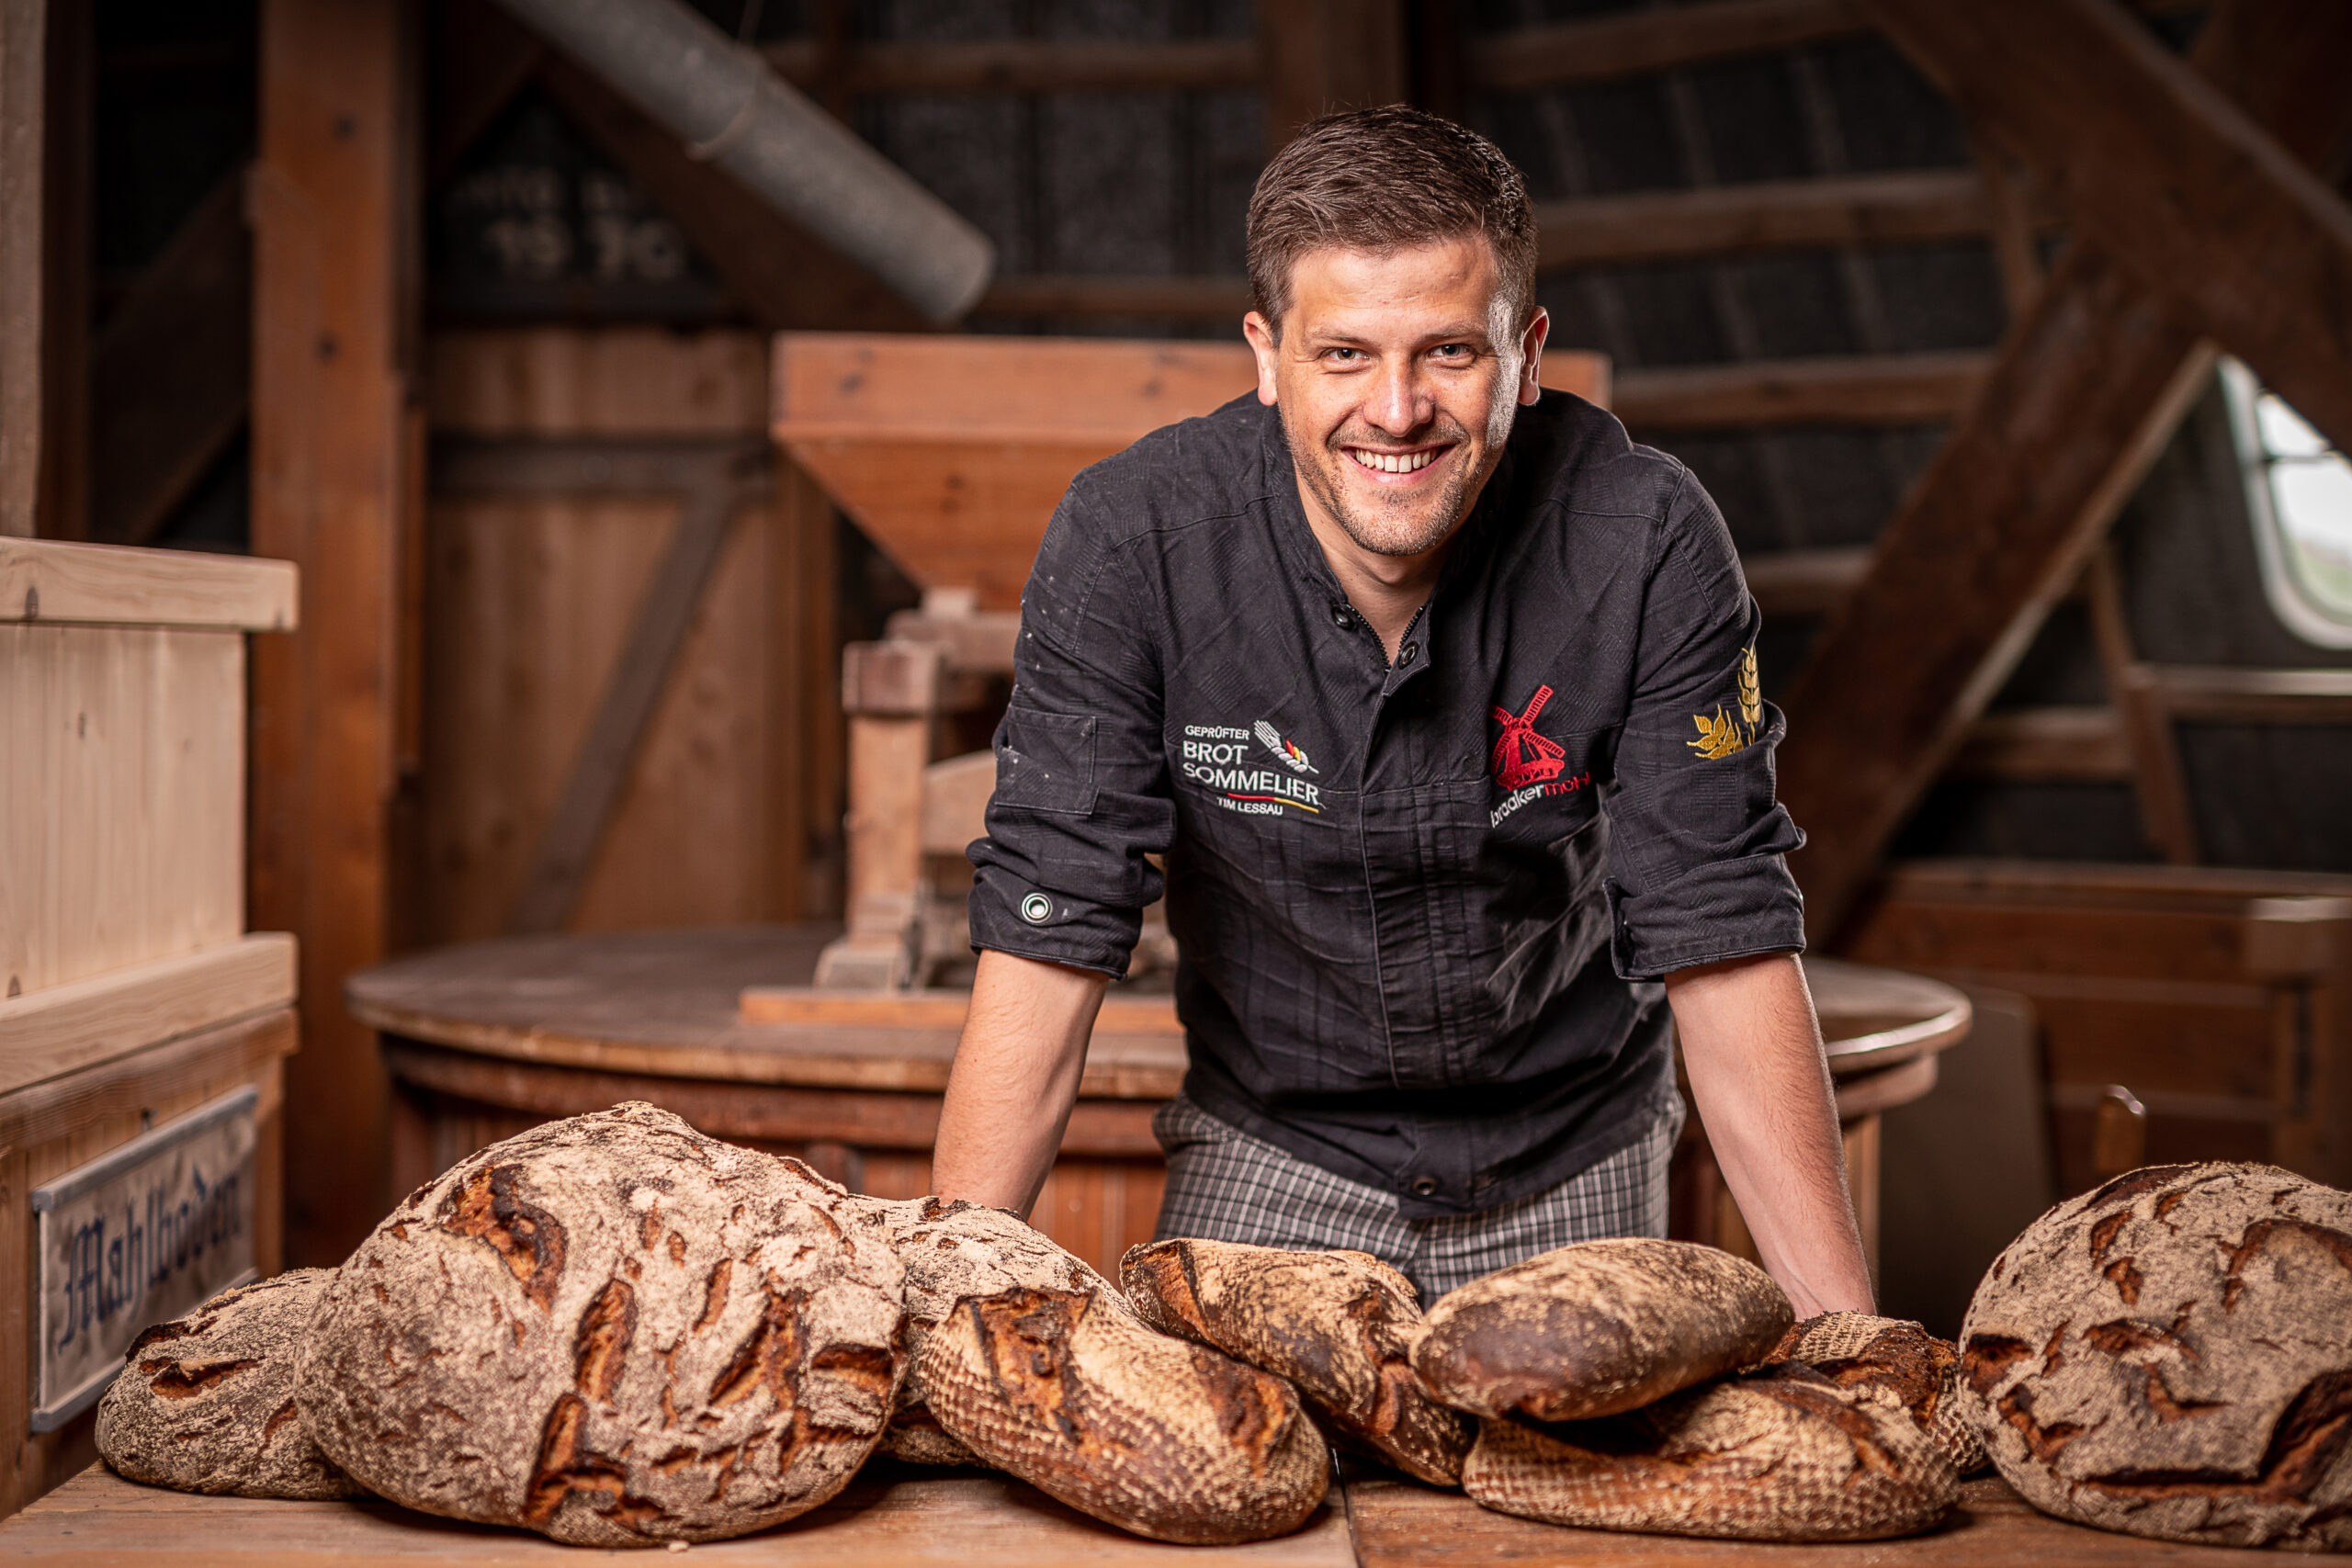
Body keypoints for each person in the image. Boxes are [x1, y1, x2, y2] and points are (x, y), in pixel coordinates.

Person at [928, 106, 1872, 1316]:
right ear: (1266, 355)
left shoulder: (1649, 541)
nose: (1396, 409)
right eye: (1344, 356)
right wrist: (937, 1308)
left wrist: (1854, 1342)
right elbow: (1050, 922)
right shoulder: (1132, 541)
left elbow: (1723, 932)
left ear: (1527, 354)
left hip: (1570, 1157)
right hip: (1273, 1153)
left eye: (1447, 352)